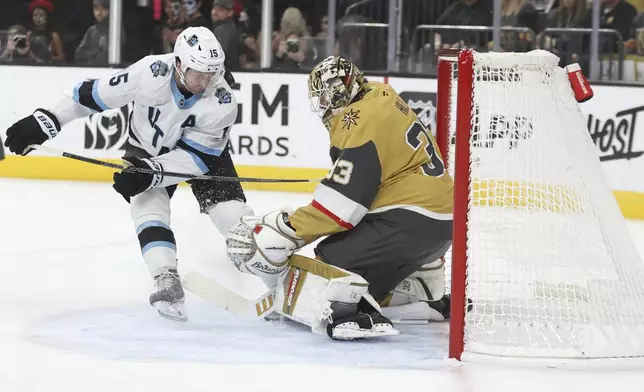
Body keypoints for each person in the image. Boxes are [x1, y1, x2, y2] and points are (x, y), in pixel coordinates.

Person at [4, 27, 253, 322]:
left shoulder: (222, 100)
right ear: (178, 64)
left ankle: (260, 258)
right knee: (147, 207)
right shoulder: (150, 73)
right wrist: (48, 119)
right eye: (199, 73)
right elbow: (90, 95)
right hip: (145, 150)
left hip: (202, 156)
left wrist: (152, 172)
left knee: (234, 219)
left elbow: (196, 159)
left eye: (213, 73)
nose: (207, 81)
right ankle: (165, 278)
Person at [226, 56, 454, 340]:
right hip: (442, 229)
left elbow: (341, 208)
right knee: (362, 245)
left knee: (331, 255)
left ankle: (349, 313)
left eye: (322, 98)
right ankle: (418, 291)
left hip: (408, 222)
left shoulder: (356, 119)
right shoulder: (383, 97)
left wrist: (286, 228)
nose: (322, 108)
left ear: (336, 91)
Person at [211, 0, 240, 70]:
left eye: (219, 10)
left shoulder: (222, 29)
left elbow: (217, 56)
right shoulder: (232, 27)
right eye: (214, 9)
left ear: (230, 12)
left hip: (224, 73)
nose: (214, 12)